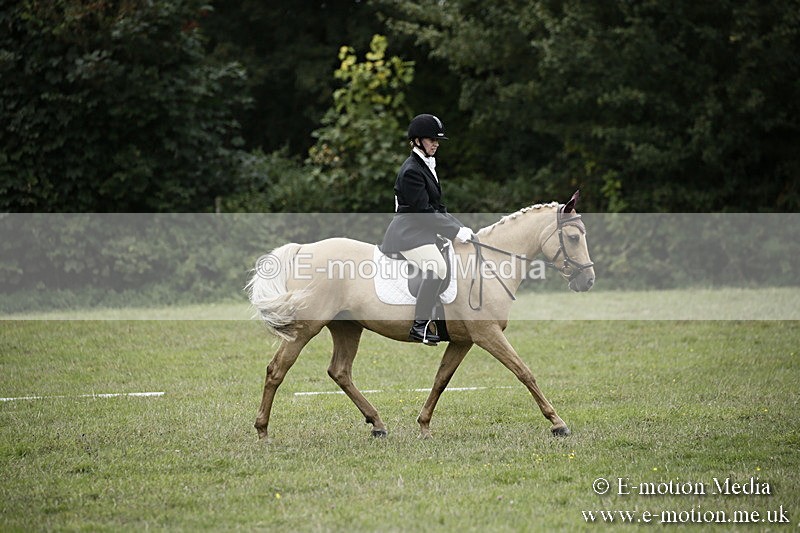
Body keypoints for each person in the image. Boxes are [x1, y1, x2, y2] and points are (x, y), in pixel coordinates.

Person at [380, 114, 474, 345]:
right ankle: (419, 325)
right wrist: (453, 232)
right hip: (408, 235)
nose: (436, 143)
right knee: (437, 267)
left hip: (422, 231)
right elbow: (423, 212)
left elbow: (437, 208)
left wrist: (460, 228)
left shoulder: (426, 166)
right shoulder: (412, 170)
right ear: (417, 141)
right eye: (431, 139)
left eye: (437, 140)